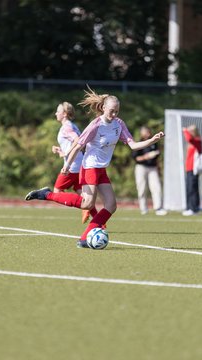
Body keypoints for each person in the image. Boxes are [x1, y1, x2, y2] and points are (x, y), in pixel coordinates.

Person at [25, 87, 165, 248]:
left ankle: (85, 238)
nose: (114, 115)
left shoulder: (119, 124)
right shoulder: (96, 125)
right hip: (89, 167)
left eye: (117, 111)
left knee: (111, 205)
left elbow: (133, 145)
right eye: (112, 111)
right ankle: (47, 194)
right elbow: (78, 145)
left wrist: (152, 140)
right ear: (103, 108)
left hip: (101, 169)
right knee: (87, 204)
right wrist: (67, 165)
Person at [52, 101, 97, 223]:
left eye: (58, 111)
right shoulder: (72, 125)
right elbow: (74, 143)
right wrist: (61, 151)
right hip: (79, 162)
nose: (56, 113)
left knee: (57, 191)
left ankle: (84, 207)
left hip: (73, 165)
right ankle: (100, 222)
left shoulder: (66, 127)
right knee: (82, 194)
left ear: (65, 114)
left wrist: (66, 153)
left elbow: (77, 140)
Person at [132, 126, 167, 215]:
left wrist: (158, 166)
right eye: (145, 132)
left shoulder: (154, 143)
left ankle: (158, 208)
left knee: (156, 187)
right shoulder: (139, 143)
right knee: (142, 188)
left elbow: (157, 156)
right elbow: (136, 158)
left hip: (153, 168)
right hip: (141, 168)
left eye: (148, 131)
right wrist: (147, 156)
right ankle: (143, 208)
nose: (148, 133)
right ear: (141, 133)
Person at [182, 124, 202, 216]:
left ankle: (193, 208)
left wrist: (185, 130)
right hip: (189, 169)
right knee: (191, 188)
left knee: (192, 189)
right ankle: (193, 207)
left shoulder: (197, 140)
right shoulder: (194, 141)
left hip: (193, 169)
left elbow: (189, 139)